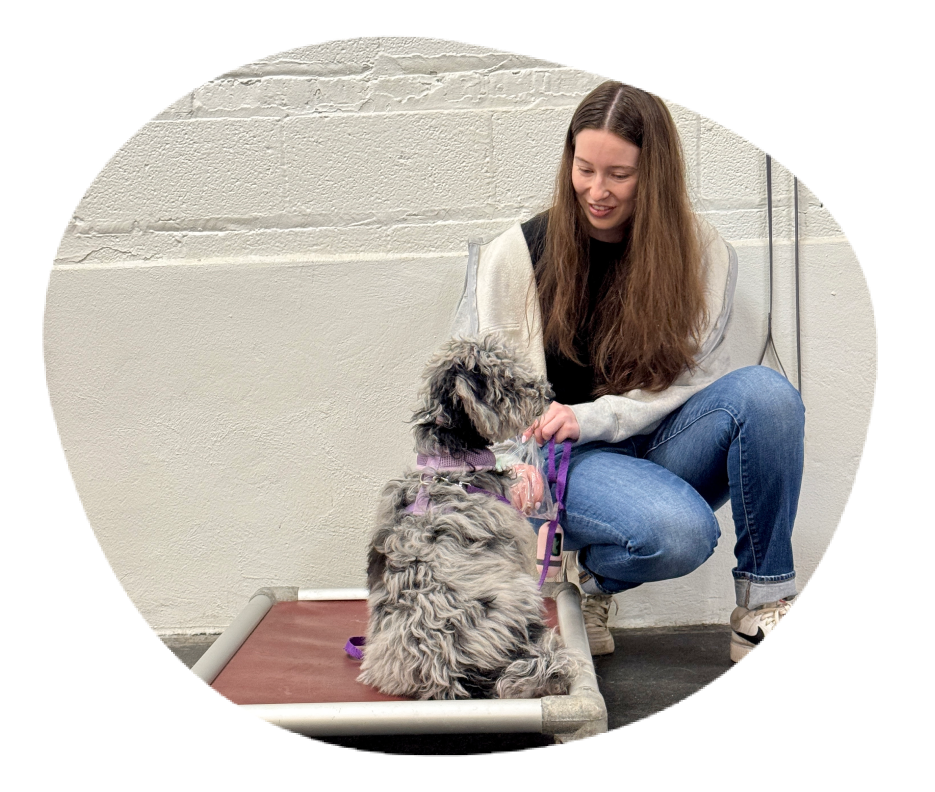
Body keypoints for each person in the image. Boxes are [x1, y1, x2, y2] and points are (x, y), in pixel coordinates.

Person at [451, 80, 805, 661]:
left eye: (619, 174)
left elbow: (694, 382)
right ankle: (590, 579)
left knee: (768, 394)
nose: (597, 191)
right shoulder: (517, 254)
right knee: (682, 535)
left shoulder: (704, 252)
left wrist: (593, 416)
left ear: (656, 173)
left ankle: (764, 604)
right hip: (570, 460)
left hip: (664, 439)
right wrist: (515, 468)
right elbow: (494, 388)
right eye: (584, 168)